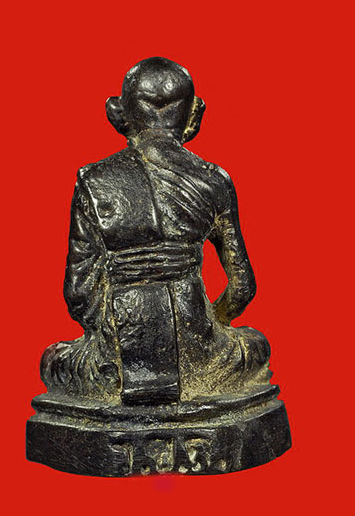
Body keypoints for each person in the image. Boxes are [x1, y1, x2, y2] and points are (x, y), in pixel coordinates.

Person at [41, 57, 271, 405]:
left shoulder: (94, 179)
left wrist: (110, 332)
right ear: (194, 113)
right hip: (199, 347)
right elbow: (242, 288)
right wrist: (211, 322)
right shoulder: (213, 180)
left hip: (115, 352)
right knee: (255, 345)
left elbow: (78, 293)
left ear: (118, 112)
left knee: (54, 361)